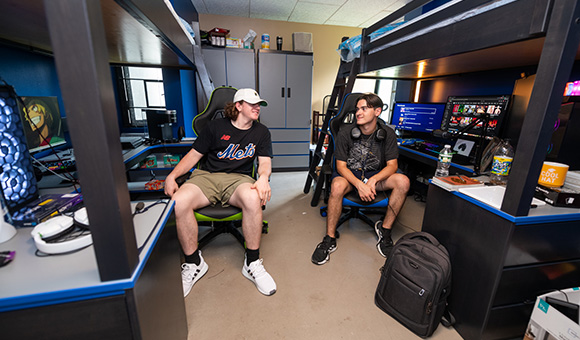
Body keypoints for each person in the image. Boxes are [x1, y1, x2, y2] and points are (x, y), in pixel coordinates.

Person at [164, 88, 276, 297]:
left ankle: (252, 262)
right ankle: (194, 264)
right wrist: (171, 176)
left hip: (239, 180)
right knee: (179, 202)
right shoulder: (214, 127)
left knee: (253, 198)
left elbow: (265, 163)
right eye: (252, 104)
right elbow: (193, 156)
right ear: (238, 106)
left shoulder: (261, 132)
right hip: (207, 177)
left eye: (258, 104)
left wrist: (262, 178)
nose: (257, 107)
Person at [311, 93, 410, 265]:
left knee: (403, 181)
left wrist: (372, 181)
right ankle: (329, 238)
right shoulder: (344, 132)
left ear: (377, 111)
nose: (358, 112)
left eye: (364, 108)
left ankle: (384, 231)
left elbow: (392, 165)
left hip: (375, 178)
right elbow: (341, 166)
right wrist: (359, 184)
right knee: (336, 185)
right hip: (350, 178)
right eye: (357, 109)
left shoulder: (387, 134)